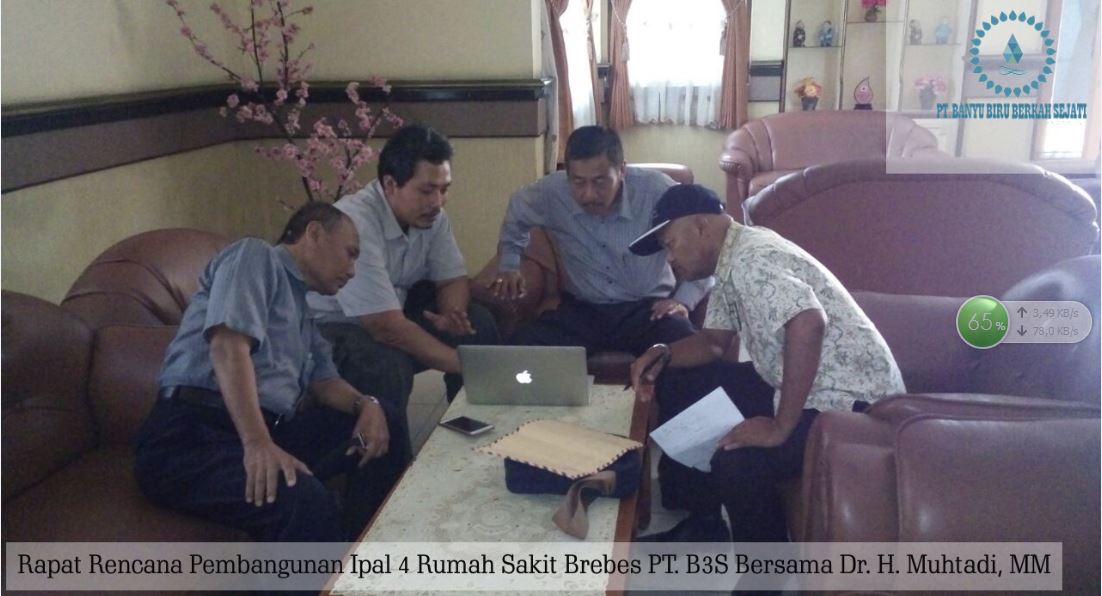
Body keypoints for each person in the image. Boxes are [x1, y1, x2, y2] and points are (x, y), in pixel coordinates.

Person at [627, 184, 906, 542]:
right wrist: (662, 353)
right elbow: (713, 344)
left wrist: (779, 426)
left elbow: (808, 321)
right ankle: (704, 521)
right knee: (682, 377)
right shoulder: (732, 257)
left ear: (700, 226)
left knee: (736, 461)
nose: (669, 259)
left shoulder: (751, 259)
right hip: (805, 384)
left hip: (852, 405)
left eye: (670, 244)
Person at [134, 202, 405, 543]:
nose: (352, 271)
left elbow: (325, 382)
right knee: (302, 500)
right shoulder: (254, 257)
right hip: (191, 436)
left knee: (386, 421)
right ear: (315, 233)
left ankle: (367, 548)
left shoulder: (304, 311)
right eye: (350, 254)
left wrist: (366, 404)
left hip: (269, 429)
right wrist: (257, 443)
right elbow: (228, 347)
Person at [309, 124, 499, 462]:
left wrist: (451, 315)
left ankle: (473, 436)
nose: (437, 202)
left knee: (477, 324)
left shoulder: (433, 216)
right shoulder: (354, 223)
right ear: (390, 184)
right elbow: (384, 327)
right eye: (426, 190)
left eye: (444, 190)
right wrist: (464, 365)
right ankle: (389, 479)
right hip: (334, 328)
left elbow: (452, 278)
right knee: (386, 365)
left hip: (389, 312)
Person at [490, 125, 713, 357]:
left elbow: (707, 247)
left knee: (690, 350)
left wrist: (682, 301)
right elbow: (518, 210)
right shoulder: (551, 192)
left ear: (622, 170)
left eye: (600, 181)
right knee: (521, 348)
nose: (588, 194)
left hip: (648, 310)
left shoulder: (658, 191)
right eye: (578, 182)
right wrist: (509, 264)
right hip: (583, 311)